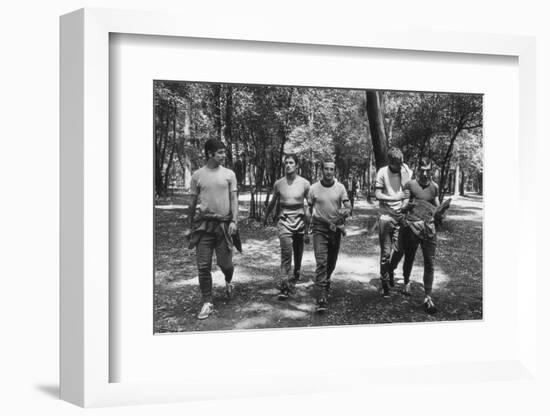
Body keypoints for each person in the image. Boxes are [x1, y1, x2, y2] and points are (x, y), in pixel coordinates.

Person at [186, 139, 238, 320]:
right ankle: (207, 301)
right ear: (210, 154)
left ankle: (229, 280)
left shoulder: (229, 174)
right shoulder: (197, 175)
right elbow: (192, 202)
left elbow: (234, 200)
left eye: (224, 152)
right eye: (220, 153)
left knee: (226, 264)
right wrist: (189, 225)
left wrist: (234, 221)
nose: (224, 155)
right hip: (203, 226)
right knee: (203, 266)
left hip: (224, 225)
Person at [390, 159, 439, 314]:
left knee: (429, 262)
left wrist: (441, 212)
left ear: (431, 170)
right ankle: (406, 282)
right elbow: (401, 208)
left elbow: (436, 206)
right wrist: (407, 207)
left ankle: (428, 296)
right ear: (417, 170)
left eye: (427, 170)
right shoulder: (410, 185)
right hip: (412, 228)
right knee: (409, 256)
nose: (424, 173)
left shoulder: (434, 187)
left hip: (428, 229)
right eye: (422, 170)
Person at [263, 154, 310, 300]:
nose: (288, 165)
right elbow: (273, 201)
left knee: (298, 251)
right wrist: (266, 216)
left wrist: (308, 229)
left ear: (296, 165)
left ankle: (296, 271)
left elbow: (310, 206)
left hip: (300, 223)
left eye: (291, 163)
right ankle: (284, 285)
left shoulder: (305, 184)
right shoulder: (279, 184)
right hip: (284, 222)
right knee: (286, 253)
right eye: (286, 163)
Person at [307, 159, 351, 312]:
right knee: (321, 262)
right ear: (322, 170)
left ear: (335, 171)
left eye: (331, 169)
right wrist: (308, 225)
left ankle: (327, 279)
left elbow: (348, 205)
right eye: (326, 169)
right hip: (319, 228)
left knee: (332, 262)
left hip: (335, 229)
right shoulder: (313, 188)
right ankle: (321, 296)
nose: (329, 172)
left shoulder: (340, 188)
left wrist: (346, 211)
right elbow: (309, 208)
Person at [374, 147, 412, 298]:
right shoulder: (382, 172)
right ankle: (384, 283)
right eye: (398, 163)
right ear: (390, 162)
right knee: (385, 253)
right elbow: (377, 194)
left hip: (401, 216)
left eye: (402, 161)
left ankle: (390, 269)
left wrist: (405, 205)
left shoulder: (405, 170)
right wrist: (396, 198)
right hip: (386, 217)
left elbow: (408, 192)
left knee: (401, 249)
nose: (401, 165)